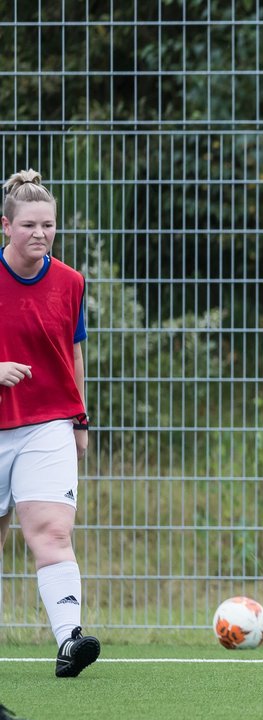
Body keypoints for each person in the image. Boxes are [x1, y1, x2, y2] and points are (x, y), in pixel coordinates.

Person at [0, 170, 100, 678]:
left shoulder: (71, 282)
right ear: (6, 226)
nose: (40, 234)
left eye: (49, 225)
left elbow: (74, 356)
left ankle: (70, 641)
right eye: (29, 225)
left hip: (49, 425)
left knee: (52, 534)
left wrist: (80, 420)